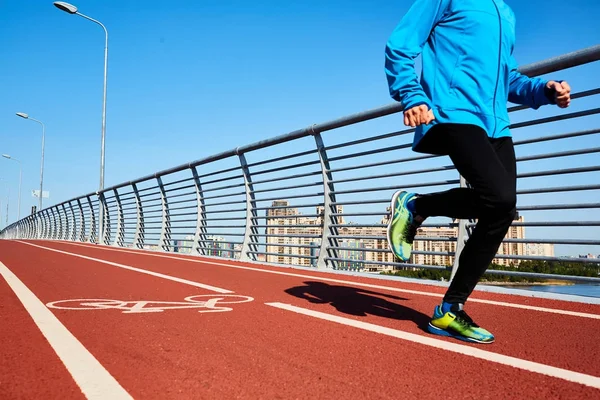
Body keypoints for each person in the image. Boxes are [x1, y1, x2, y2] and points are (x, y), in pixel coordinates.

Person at [384, 0, 571, 344]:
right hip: (451, 111)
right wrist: (412, 96)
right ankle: (417, 207)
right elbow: (400, 44)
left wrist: (544, 91)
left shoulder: (505, 12)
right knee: (498, 197)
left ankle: (449, 311)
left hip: (496, 125)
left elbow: (508, 78)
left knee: (501, 209)